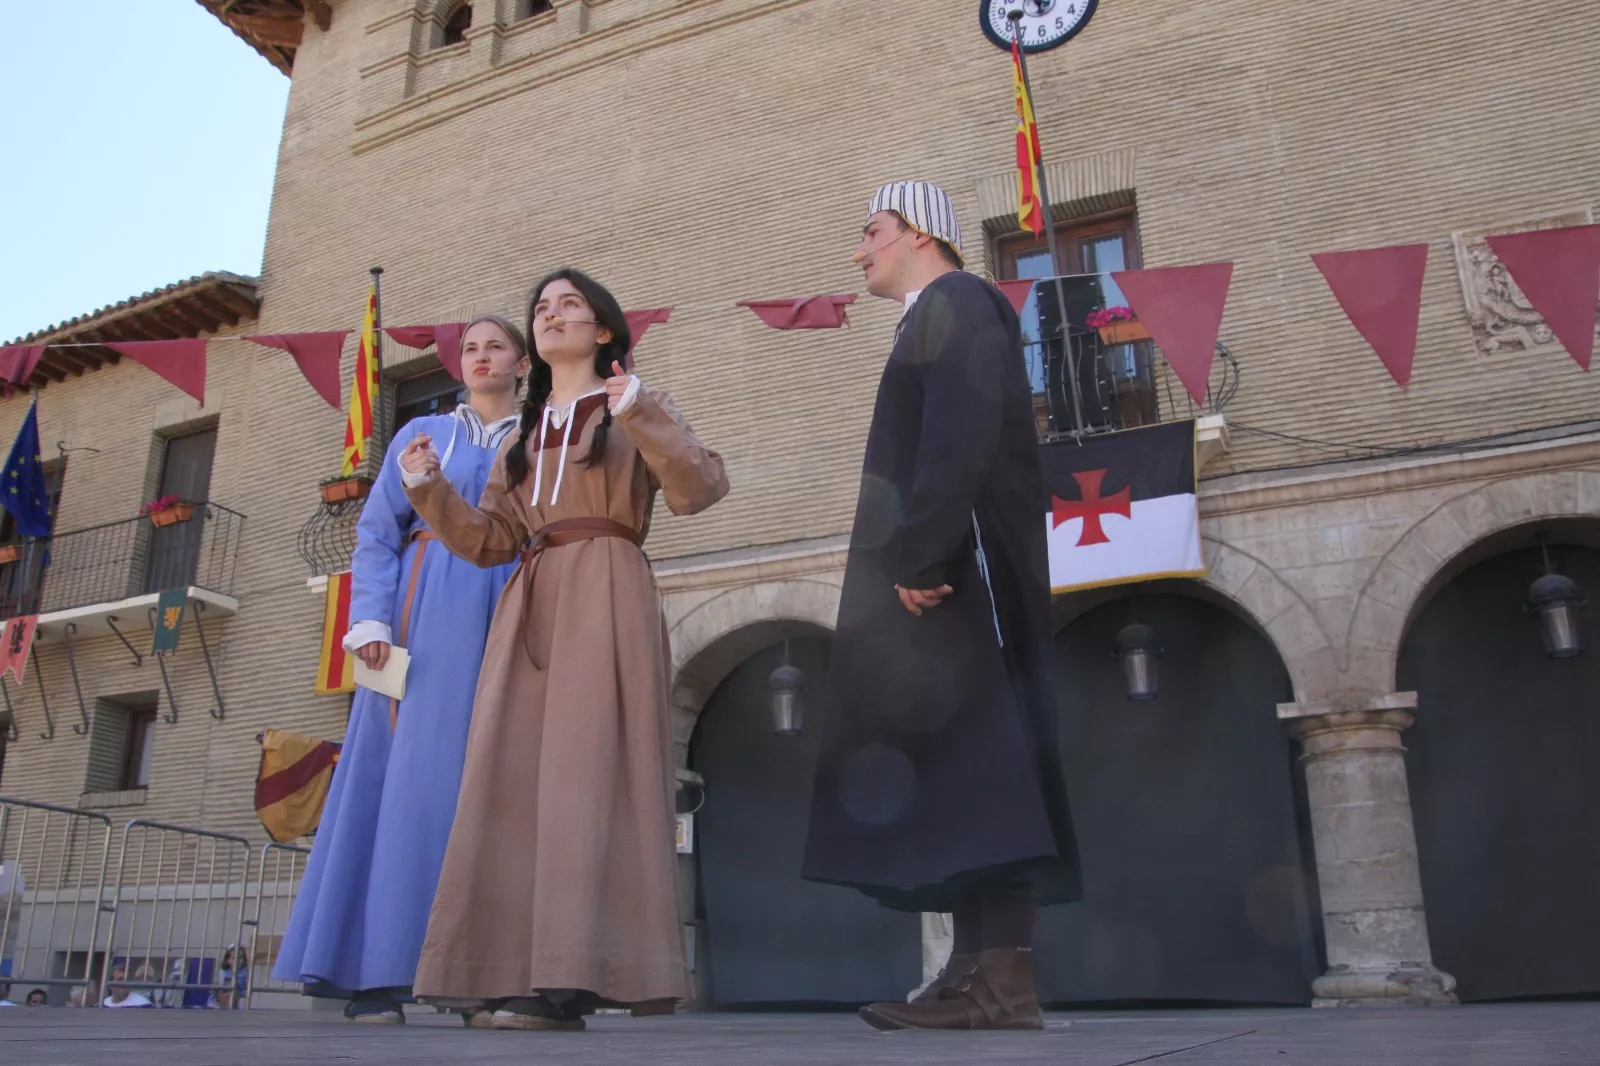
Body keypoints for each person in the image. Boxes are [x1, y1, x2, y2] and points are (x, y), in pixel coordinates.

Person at [400, 268, 728, 1031]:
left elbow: (699, 489)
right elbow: (491, 543)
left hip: (606, 590)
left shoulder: (634, 406)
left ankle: (568, 981)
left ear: (603, 329)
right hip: (532, 597)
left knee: (585, 780)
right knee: (511, 782)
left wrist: (642, 412)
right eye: (541, 309)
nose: (551, 317)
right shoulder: (520, 435)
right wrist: (430, 491)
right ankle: (507, 966)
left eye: (569, 305)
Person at [800, 181, 1081, 1031]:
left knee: (990, 761)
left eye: (872, 231)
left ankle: (1002, 981)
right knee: (961, 766)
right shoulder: (937, 311)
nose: (860, 251)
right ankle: (971, 976)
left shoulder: (959, 298)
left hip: (963, 567)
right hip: (940, 568)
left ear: (921, 233)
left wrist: (925, 548)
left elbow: (961, 429)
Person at [272, 315, 529, 1025]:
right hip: (419, 619)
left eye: (495, 347)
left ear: (522, 362)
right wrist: (373, 620)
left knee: (496, 785)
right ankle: (374, 971)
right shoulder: (422, 439)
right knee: (398, 781)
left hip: (510, 607)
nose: (479, 358)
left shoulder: (537, 439)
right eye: (469, 349)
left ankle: (482, 975)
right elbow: (377, 534)